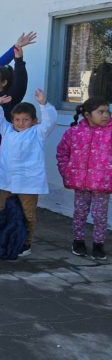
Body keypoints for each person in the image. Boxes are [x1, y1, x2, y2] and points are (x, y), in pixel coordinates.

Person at [0, 89, 57, 257]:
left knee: (28, 214)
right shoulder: (7, 130)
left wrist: (44, 104)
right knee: (4, 210)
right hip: (7, 180)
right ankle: (4, 238)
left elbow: (50, 121)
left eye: (25, 119)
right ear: (12, 120)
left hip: (29, 183)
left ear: (34, 120)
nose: (20, 123)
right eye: (17, 119)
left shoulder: (38, 132)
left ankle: (25, 243)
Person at [57, 97, 111, 260]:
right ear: (87, 115)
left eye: (107, 111)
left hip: (102, 184)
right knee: (80, 213)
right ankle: (78, 241)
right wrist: (67, 171)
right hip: (80, 183)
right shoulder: (74, 132)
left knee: (100, 216)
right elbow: (62, 153)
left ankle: (98, 244)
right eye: (100, 112)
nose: (106, 115)